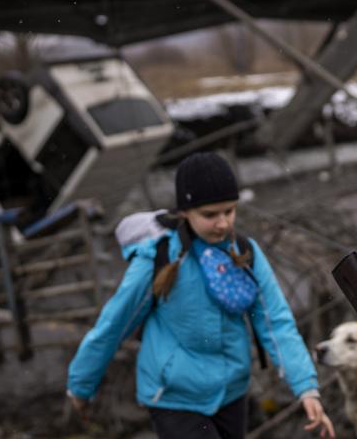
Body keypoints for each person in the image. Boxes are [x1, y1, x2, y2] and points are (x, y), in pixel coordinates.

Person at [66, 151, 335, 439]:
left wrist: (306, 387)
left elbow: (275, 323)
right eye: (210, 215)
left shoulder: (244, 254)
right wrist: (81, 386)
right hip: (174, 396)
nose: (222, 223)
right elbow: (114, 324)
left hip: (231, 392)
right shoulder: (158, 259)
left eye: (229, 211)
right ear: (184, 212)